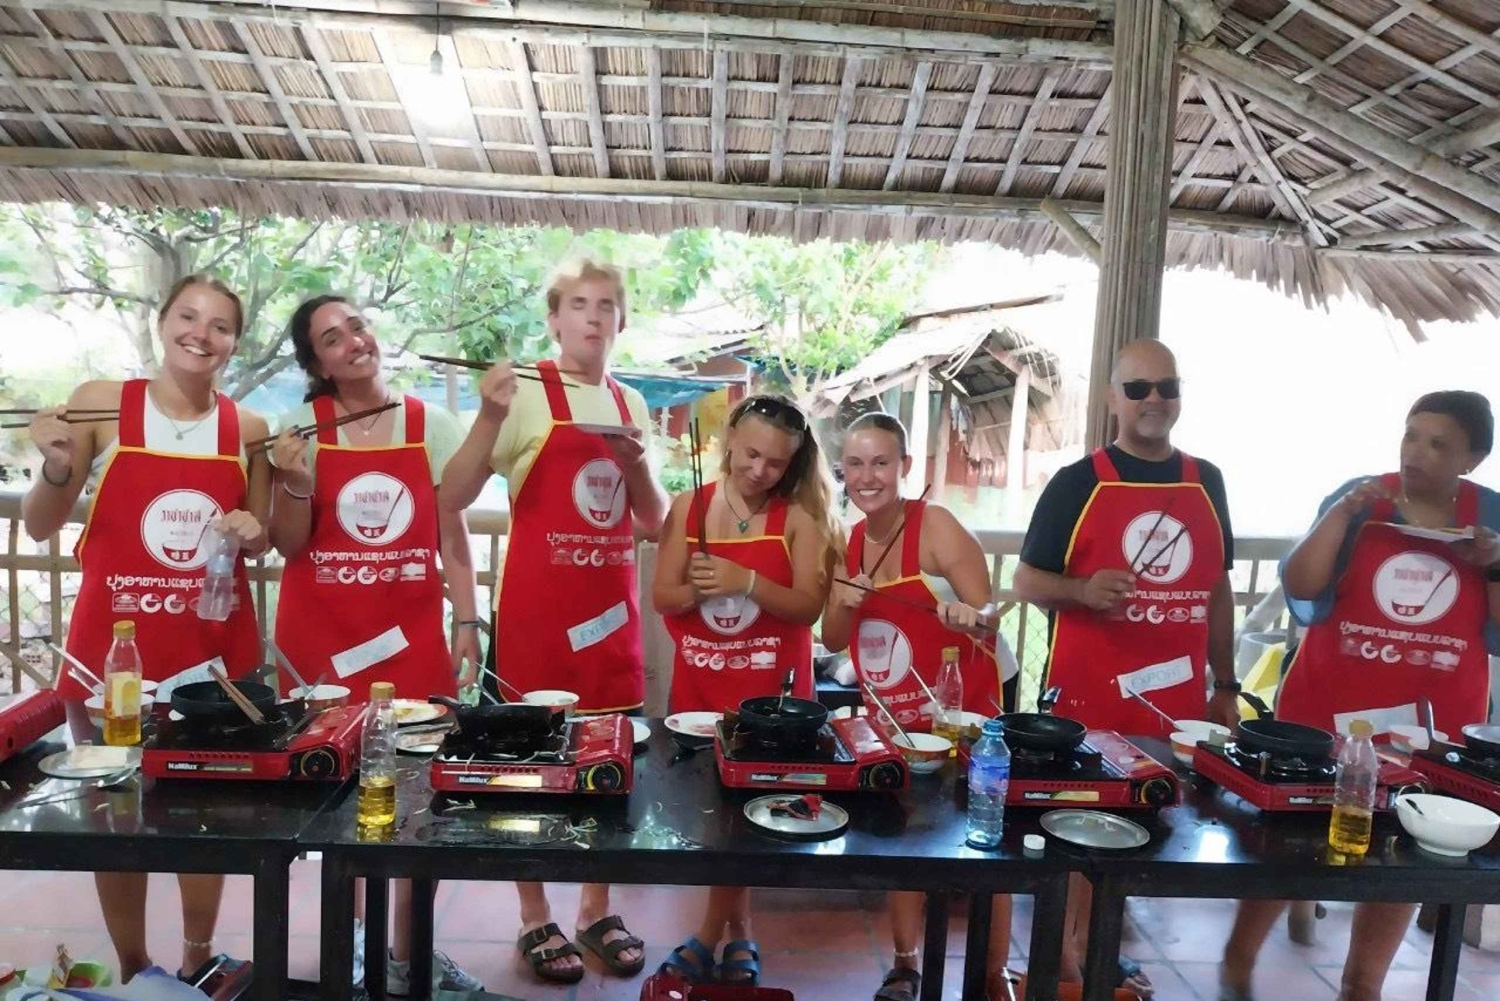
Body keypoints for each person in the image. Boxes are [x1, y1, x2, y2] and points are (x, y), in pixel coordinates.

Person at [21, 274, 269, 983]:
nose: (201, 333)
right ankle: (134, 968)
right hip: (114, 657)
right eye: (188, 316)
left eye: (220, 325)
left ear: (234, 342)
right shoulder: (102, 402)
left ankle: (197, 955)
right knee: (114, 816)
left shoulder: (248, 429)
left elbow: (259, 540)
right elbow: (38, 524)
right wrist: (57, 465)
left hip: (209, 660)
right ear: (162, 323)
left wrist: (252, 529)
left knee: (207, 815)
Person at [1221, 391, 1500, 1001]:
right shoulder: (1361, 498)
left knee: (1407, 851)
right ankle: (1239, 956)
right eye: (1411, 435)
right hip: (1328, 707)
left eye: (1438, 444)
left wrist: (1493, 562)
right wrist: (1342, 515)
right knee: (1290, 841)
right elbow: (1302, 585)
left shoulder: (1492, 517)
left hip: (1427, 724)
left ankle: (1362, 983)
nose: (1416, 452)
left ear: (1473, 459)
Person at [441, 259, 666, 984]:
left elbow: (655, 521)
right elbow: (452, 494)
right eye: (578, 304)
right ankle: (534, 914)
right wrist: (488, 414)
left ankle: (596, 910)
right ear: (554, 319)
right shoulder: (525, 392)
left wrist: (636, 466)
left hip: (611, 623)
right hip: (537, 621)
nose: (593, 317)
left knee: (611, 770)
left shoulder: (632, 402)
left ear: (621, 321)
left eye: (606, 305)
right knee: (526, 772)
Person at [267, 294, 482, 996]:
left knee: (422, 804)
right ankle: (353, 951)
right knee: (339, 807)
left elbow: (452, 536)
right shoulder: (298, 430)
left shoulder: (431, 424)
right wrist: (295, 483)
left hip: (410, 643)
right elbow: (289, 544)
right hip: (323, 645)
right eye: (333, 338)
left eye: (357, 325)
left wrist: (467, 622)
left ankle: (410, 953)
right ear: (317, 363)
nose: (354, 341)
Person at [1014, 339, 1239, 996]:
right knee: (1075, 835)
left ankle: (1096, 953)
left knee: (1144, 832)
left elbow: (1217, 591)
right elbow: (1026, 581)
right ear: (1113, 397)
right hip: (1087, 699)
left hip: (1174, 704)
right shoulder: (1077, 481)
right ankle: (1061, 963)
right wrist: (1082, 590)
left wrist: (1226, 684)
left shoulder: (1207, 479)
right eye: (1138, 388)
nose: (1154, 400)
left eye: (1168, 386)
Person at [821, 412, 1019, 1001]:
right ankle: (905, 965)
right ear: (842, 471)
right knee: (901, 835)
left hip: (965, 710)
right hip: (893, 714)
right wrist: (846, 600)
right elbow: (833, 637)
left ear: (904, 466)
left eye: (881, 463)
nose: (868, 476)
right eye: (856, 464)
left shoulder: (936, 526)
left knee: (987, 838)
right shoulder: (846, 542)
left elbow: (988, 615)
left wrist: (967, 613)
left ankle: (992, 974)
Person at [651, 393, 841, 987]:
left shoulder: (801, 517)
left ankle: (712, 934)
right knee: (715, 819)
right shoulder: (689, 505)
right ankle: (739, 931)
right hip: (702, 684)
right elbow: (663, 597)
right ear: (729, 438)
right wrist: (700, 589)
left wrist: (747, 580)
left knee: (751, 819)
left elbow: (807, 608)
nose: (760, 470)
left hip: (773, 697)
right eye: (751, 454)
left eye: (776, 462)